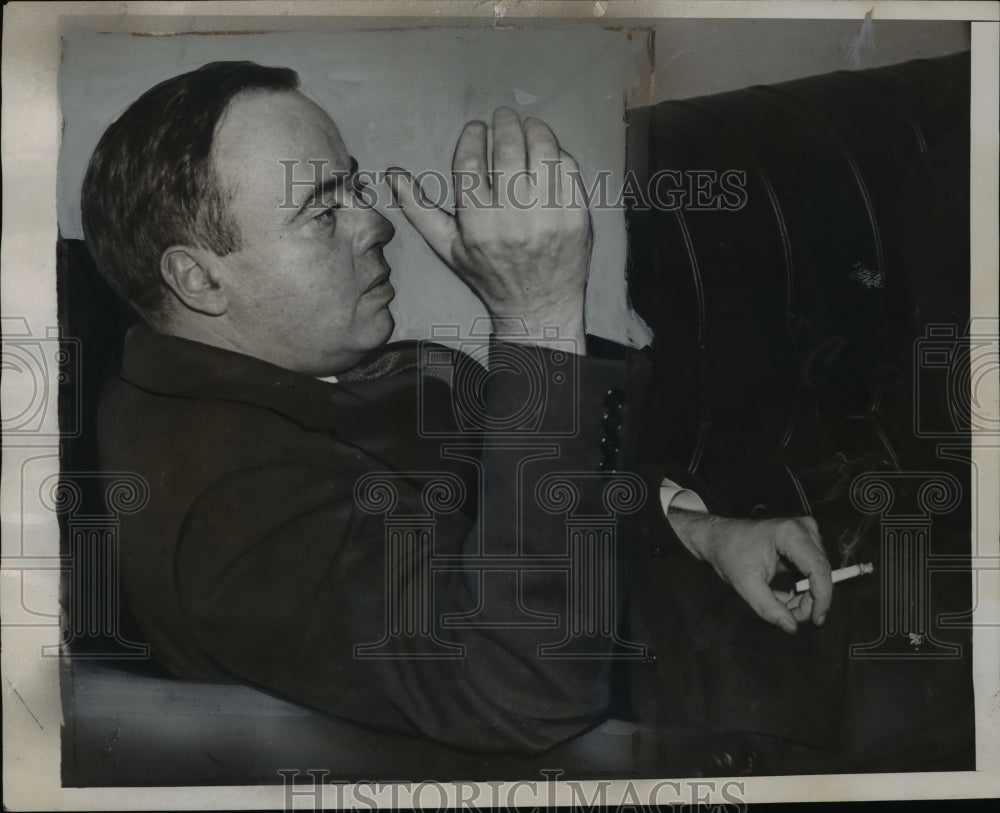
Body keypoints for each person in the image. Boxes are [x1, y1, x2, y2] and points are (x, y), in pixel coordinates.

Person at [81, 60, 929, 770]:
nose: (375, 223)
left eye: (354, 187)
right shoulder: (219, 505)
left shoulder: (269, 377)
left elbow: (510, 504)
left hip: (732, 613)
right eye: (320, 208)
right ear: (199, 280)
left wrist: (694, 526)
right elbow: (523, 688)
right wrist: (535, 319)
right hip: (723, 732)